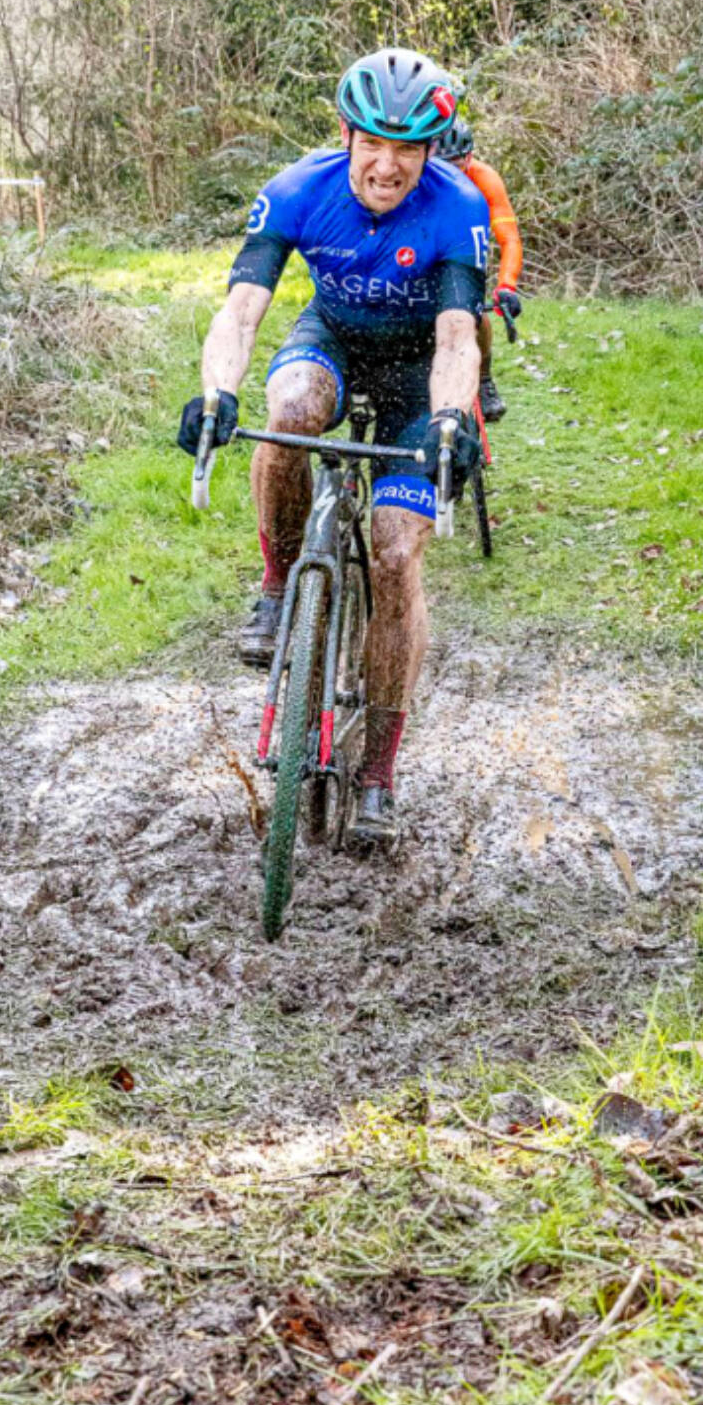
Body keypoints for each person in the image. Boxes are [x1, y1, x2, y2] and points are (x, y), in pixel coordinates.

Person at [177, 48, 490, 846]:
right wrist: (217, 391)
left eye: (409, 149)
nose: (388, 166)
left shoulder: (458, 210)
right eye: (374, 144)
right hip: (336, 343)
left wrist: (451, 417)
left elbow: (458, 337)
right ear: (346, 135)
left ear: (430, 151)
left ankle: (379, 769)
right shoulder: (296, 191)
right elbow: (242, 310)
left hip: (417, 373)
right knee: (288, 409)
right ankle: (280, 581)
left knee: (394, 555)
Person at [435, 117, 523, 422]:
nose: (447, 175)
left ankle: (484, 381)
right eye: (438, 166)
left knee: (476, 312)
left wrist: (506, 286)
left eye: (455, 166)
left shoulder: (485, 178)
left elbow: (509, 239)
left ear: (469, 158)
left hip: (465, 248)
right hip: (427, 244)